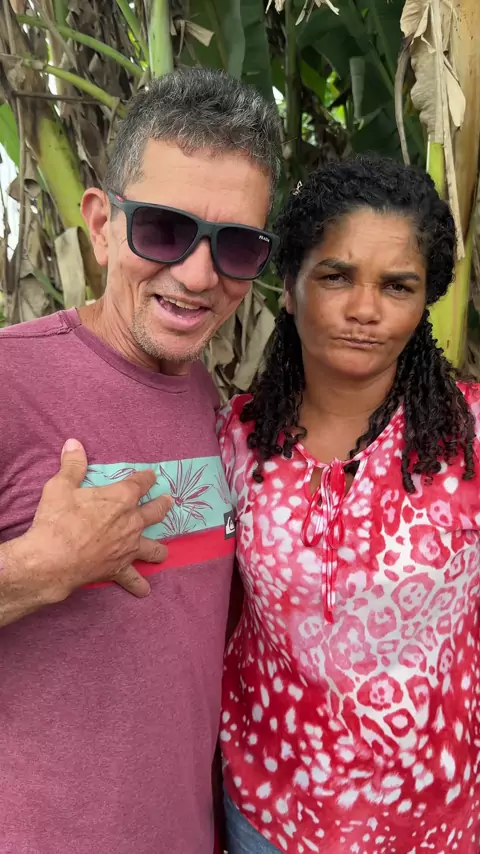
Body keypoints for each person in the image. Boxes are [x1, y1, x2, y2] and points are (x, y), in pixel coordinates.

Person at [0, 68, 281, 854]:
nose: (197, 275)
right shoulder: (11, 380)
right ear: (101, 224)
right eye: (163, 229)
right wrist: (39, 567)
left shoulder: (204, 398)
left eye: (235, 245)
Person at [217, 155, 480, 854]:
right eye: (336, 276)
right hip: (266, 812)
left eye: (397, 286)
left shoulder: (471, 437)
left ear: (425, 301)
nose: (365, 310)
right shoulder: (235, 440)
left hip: (430, 819)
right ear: (288, 287)